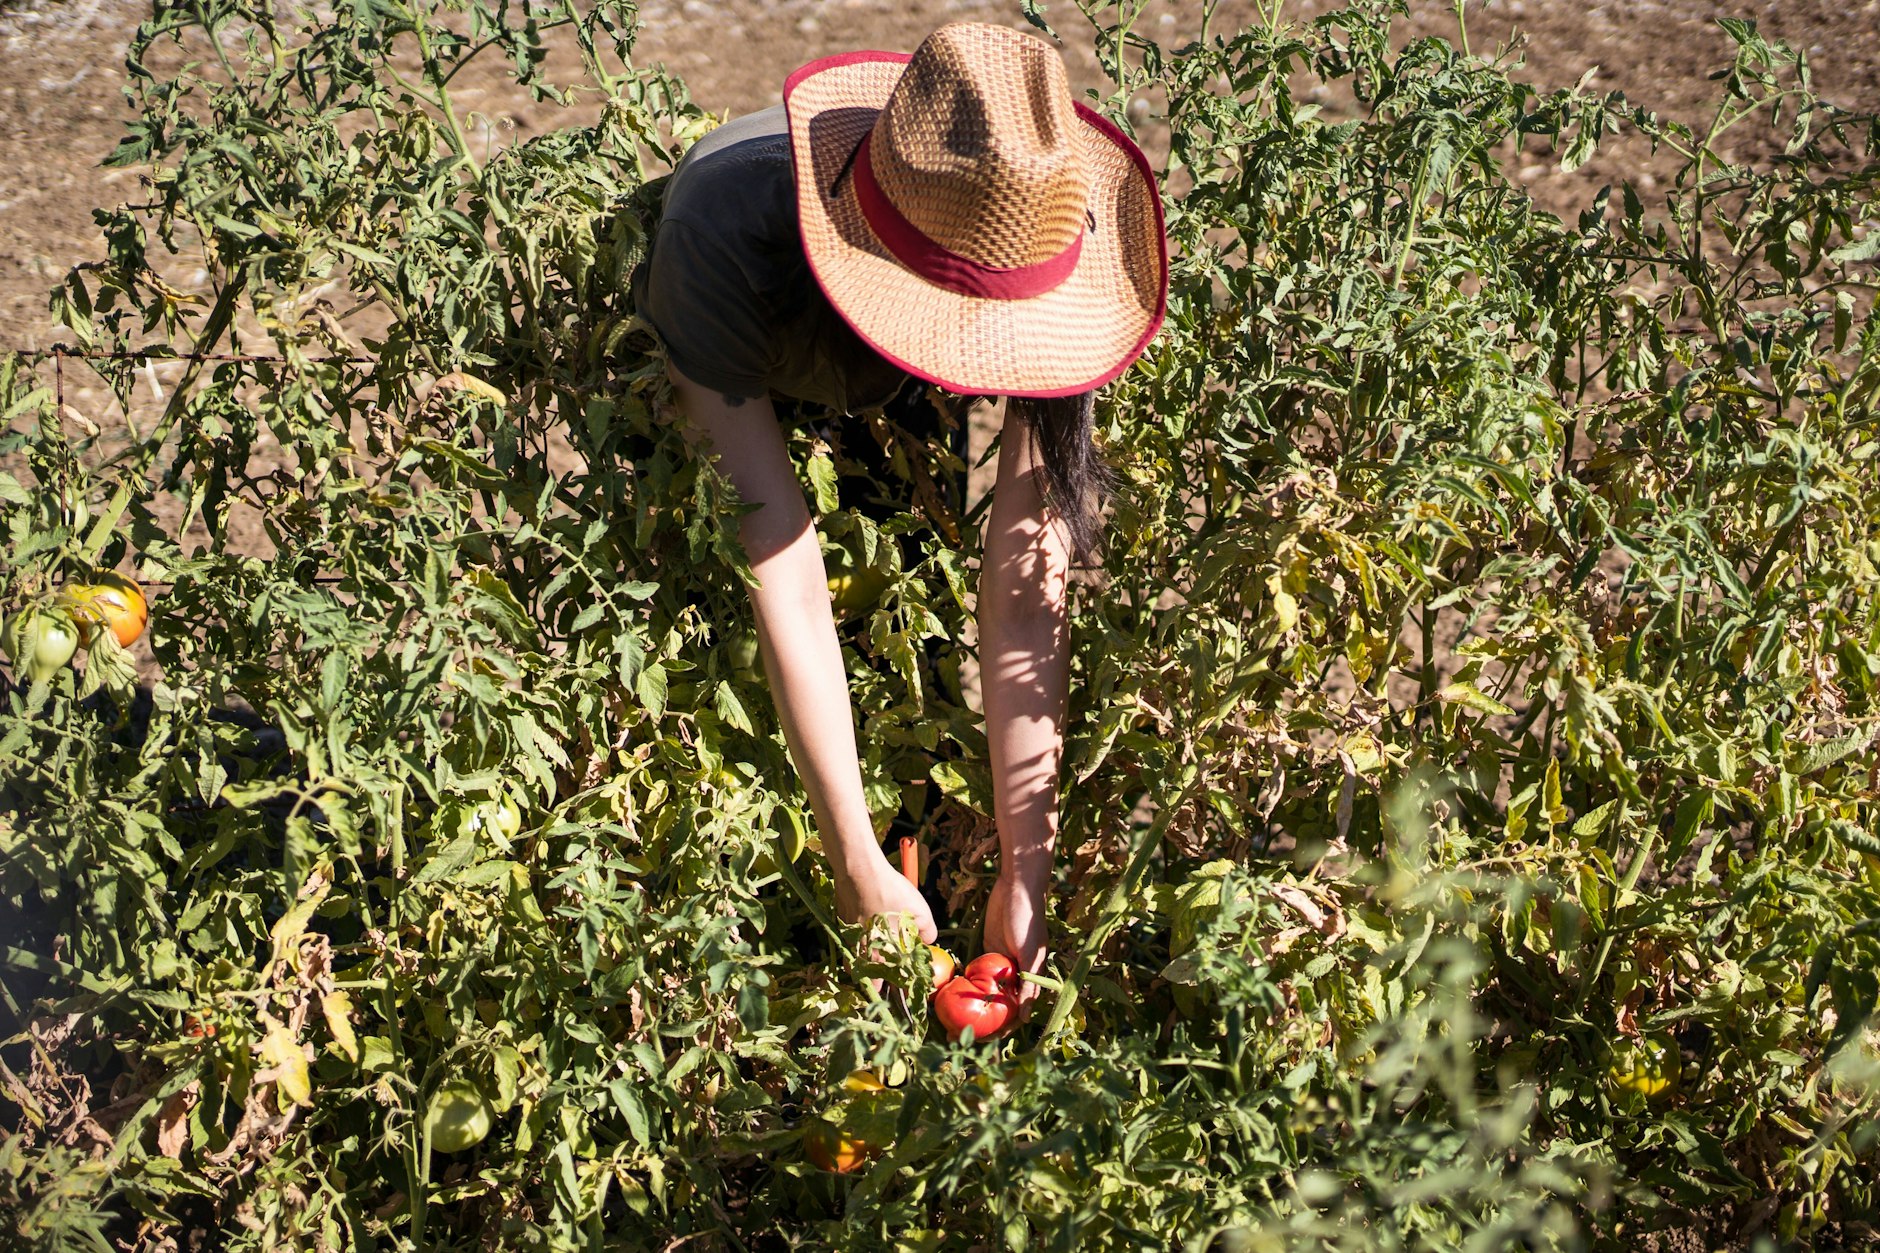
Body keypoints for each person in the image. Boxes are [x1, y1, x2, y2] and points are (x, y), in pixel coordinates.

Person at [634, 22, 1166, 1005]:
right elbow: (780, 562)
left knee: (907, 616)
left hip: (890, 346)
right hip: (754, 317)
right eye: (966, 326)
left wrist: (1025, 872)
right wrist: (848, 858)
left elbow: (1021, 581)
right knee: (695, 609)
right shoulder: (716, 234)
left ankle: (911, 835)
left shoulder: (1043, 238)